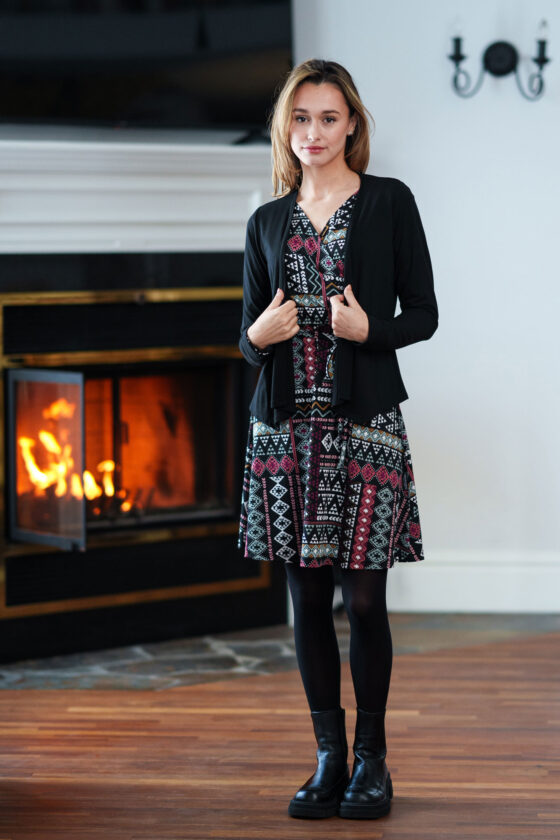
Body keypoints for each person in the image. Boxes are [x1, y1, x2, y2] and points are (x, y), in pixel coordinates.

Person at [237, 58, 438, 820]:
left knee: (366, 602)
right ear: (286, 129)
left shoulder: (390, 203)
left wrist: (368, 330)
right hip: (286, 433)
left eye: (328, 117)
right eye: (301, 119)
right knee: (306, 600)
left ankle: (372, 764)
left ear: (351, 123)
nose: (314, 132)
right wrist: (257, 336)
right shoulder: (265, 220)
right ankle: (327, 759)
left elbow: (424, 312)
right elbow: (249, 335)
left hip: (365, 429)